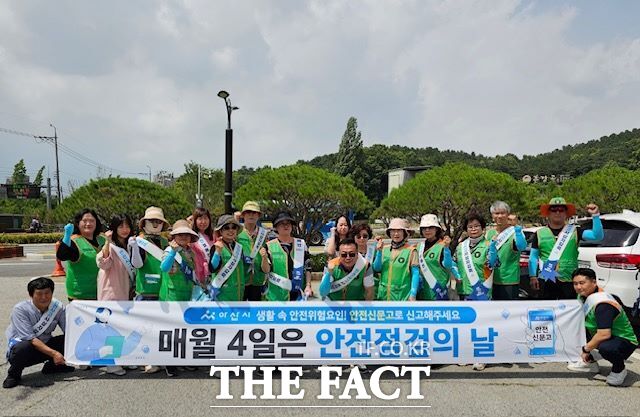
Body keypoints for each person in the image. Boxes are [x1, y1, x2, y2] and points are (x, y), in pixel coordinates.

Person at [568, 268, 638, 386]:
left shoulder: (603, 304)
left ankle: (619, 370)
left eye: (582, 283)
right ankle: (590, 362)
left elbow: (604, 334)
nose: (578, 287)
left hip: (624, 340)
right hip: (601, 333)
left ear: (594, 282)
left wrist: (586, 349)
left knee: (606, 347)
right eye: (575, 284)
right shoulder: (583, 296)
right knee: (575, 330)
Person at [3, 277, 74, 389]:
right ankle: (13, 375)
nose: (44, 297)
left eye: (47, 293)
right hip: (26, 349)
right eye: (39, 294)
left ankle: (53, 366)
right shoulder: (20, 310)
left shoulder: (57, 307)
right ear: (31, 295)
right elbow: (31, 339)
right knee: (23, 347)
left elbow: (69, 330)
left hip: (45, 345)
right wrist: (55, 354)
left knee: (69, 338)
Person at [528, 197, 603, 299]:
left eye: (561, 210)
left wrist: (595, 216)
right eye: (553, 210)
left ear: (566, 213)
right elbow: (533, 257)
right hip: (546, 280)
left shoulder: (575, 231)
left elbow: (597, 236)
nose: (557, 212)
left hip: (569, 280)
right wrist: (532, 276)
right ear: (548, 213)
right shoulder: (539, 233)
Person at [454, 210, 498, 371]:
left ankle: (482, 356)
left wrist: (493, 248)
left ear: (483, 228)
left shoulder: (488, 245)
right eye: (470, 226)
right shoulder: (460, 247)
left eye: (477, 226)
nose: (473, 229)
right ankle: (466, 354)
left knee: (483, 324)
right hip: (463, 290)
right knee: (466, 324)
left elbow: (493, 264)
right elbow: (453, 264)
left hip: (482, 291)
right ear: (466, 229)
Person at [96, 214, 135, 376]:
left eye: (127, 226)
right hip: (110, 292)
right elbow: (103, 263)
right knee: (111, 328)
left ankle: (122, 358)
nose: (124, 230)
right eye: (121, 226)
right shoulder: (111, 247)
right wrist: (107, 242)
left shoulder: (130, 245)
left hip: (125, 292)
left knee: (123, 327)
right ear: (114, 228)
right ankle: (110, 362)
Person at [261, 211, 313, 301]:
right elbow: (266, 270)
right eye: (282, 224)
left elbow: (308, 267)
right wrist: (264, 258)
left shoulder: (300, 244)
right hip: (276, 295)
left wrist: (308, 285)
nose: (286, 226)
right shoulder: (269, 246)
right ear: (276, 227)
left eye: (288, 223)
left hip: (298, 294)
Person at [56, 208, 105, 301]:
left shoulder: (103, 239)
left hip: (101, 293)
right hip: (80, 296)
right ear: (78, 223)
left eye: (92, 221)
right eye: (84, 221)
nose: (88, 224)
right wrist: (67, 235)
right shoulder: (74, 241)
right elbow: (62, 255)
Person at [485, 201, 527, 301]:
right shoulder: (489, 233)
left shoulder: (515, 232)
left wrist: (517, 229)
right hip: (490, 279)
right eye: (496, 213)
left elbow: (522, 247)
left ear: (508, 215)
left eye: (502, 213)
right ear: (492, 216)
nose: (499, 216)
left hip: (509, 280)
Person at [372, 218, 420, 301]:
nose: (396, 234)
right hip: (384, 296)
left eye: (399, 231)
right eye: (393, 231)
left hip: (402, 296)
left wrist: (413, 294)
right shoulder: (384, 249)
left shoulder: (411, 251)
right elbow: (377, 268)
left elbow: (415, 273)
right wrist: (379, 252)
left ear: (405, 233)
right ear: (389, 233)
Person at [159, 220, 206, 302]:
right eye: (180, 234)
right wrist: (173, 252)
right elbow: (164, 268)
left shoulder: (191, 252)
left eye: (187, 234)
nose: (183, 237)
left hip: (188, 293)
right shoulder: (169, 250)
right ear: (174, 236)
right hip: (173, 295)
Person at [415, 214, 459, 301]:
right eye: (424, 228)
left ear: (436, 229)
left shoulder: (443, 246)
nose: (427, 230)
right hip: (422, 292)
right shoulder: (419, 246)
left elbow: (448, 265)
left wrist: (446, 248)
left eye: (431, 227)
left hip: (438, 292)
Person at [132, 206, 169, 302]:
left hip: (164, 291)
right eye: (152, 220)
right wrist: (135, 248)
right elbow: (137, 264)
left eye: (158, 221)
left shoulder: (166, 242)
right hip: (145, 291)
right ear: (144, 223)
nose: (155, 224)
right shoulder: (140, 241)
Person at [209, 215, 247, 301]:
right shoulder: (216, 247)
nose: (231, 230)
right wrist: (217, 252)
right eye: (226, 228)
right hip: (222, 294)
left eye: (234, 227)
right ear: (220, 231)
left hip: (239, 293)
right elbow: (212, 268)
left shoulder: (239, 247)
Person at [237, 201, 268, 301]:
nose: (251, 215)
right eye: (248, 212)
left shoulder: (264, 234)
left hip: (257, 280)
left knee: (255, 312)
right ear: (243, 215)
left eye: (254, 212)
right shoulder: (236, 232)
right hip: (240, 279)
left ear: (258, 216)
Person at [190, 207, 215, 301]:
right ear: (195, 220)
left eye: (206, 218)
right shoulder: (191, 236)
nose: (203, 222)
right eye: (200, 218)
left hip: (211, 275)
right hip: (197, 276)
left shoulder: (213, 236)